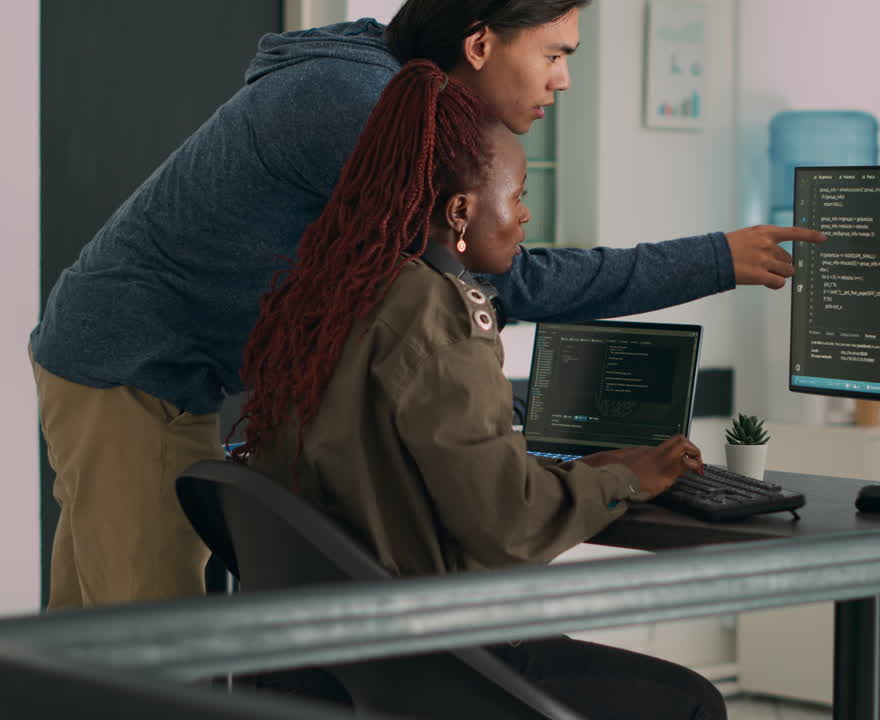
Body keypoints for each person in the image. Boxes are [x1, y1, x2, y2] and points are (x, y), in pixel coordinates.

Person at [31, 0, 822, 610]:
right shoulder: (369, 111)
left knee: (88, 639)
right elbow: (509, 280)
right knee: (149, 654)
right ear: (480, 44)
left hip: (139, 360)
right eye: (553, 53)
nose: (563, 79)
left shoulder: (380, 85)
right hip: (134, 371)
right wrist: (716, 258)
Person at [238, 58, 724, 719]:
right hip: (433, 658)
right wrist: (624, 479)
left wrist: (577, 470)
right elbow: (506, 523)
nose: (524, 217)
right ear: (461, 209)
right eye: (519, 196)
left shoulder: (325, 293)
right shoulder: (436, 312)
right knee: (693, 703)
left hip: (323, 655)